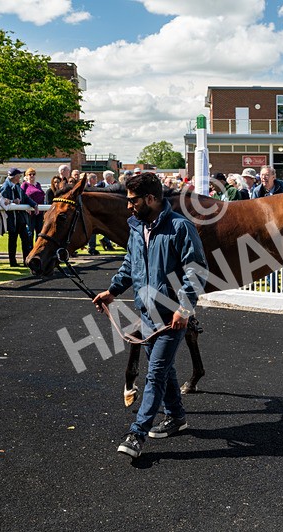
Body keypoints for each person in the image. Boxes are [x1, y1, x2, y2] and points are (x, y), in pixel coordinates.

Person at [92, 172, 207, 459]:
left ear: (151, 199)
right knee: (164, 370)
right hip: (146, 313)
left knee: (155, 373)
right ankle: (177, 417)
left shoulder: (181, 227)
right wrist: (112, 291)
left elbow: (196, 271)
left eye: (133, 201)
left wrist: (184, 308)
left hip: (171, 316)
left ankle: (137, 433)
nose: (129, 206)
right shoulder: (136, 228)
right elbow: (131, 264)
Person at [1, 167, 37, 267]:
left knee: (25, 239)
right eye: (18, 175)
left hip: (20, 217)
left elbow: (25, 197)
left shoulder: (17, 186)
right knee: (13, 240)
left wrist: (34, 205)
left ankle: (26, 260)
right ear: (14, 176)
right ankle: (13, 262)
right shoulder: (5, 187)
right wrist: (13, 201)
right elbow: (3, 200)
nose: (20, 177)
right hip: (12, 218)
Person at [22, 168, 46, 239]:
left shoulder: (38, 184)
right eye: (30, 174)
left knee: (39, 231)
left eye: (33, 174)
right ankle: (30, 248)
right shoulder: (25, 185)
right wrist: (26, 207)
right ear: (26, 176)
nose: (32, 176)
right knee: (30, 231)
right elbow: (22, 196)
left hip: (39, 211)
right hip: (30, 212)